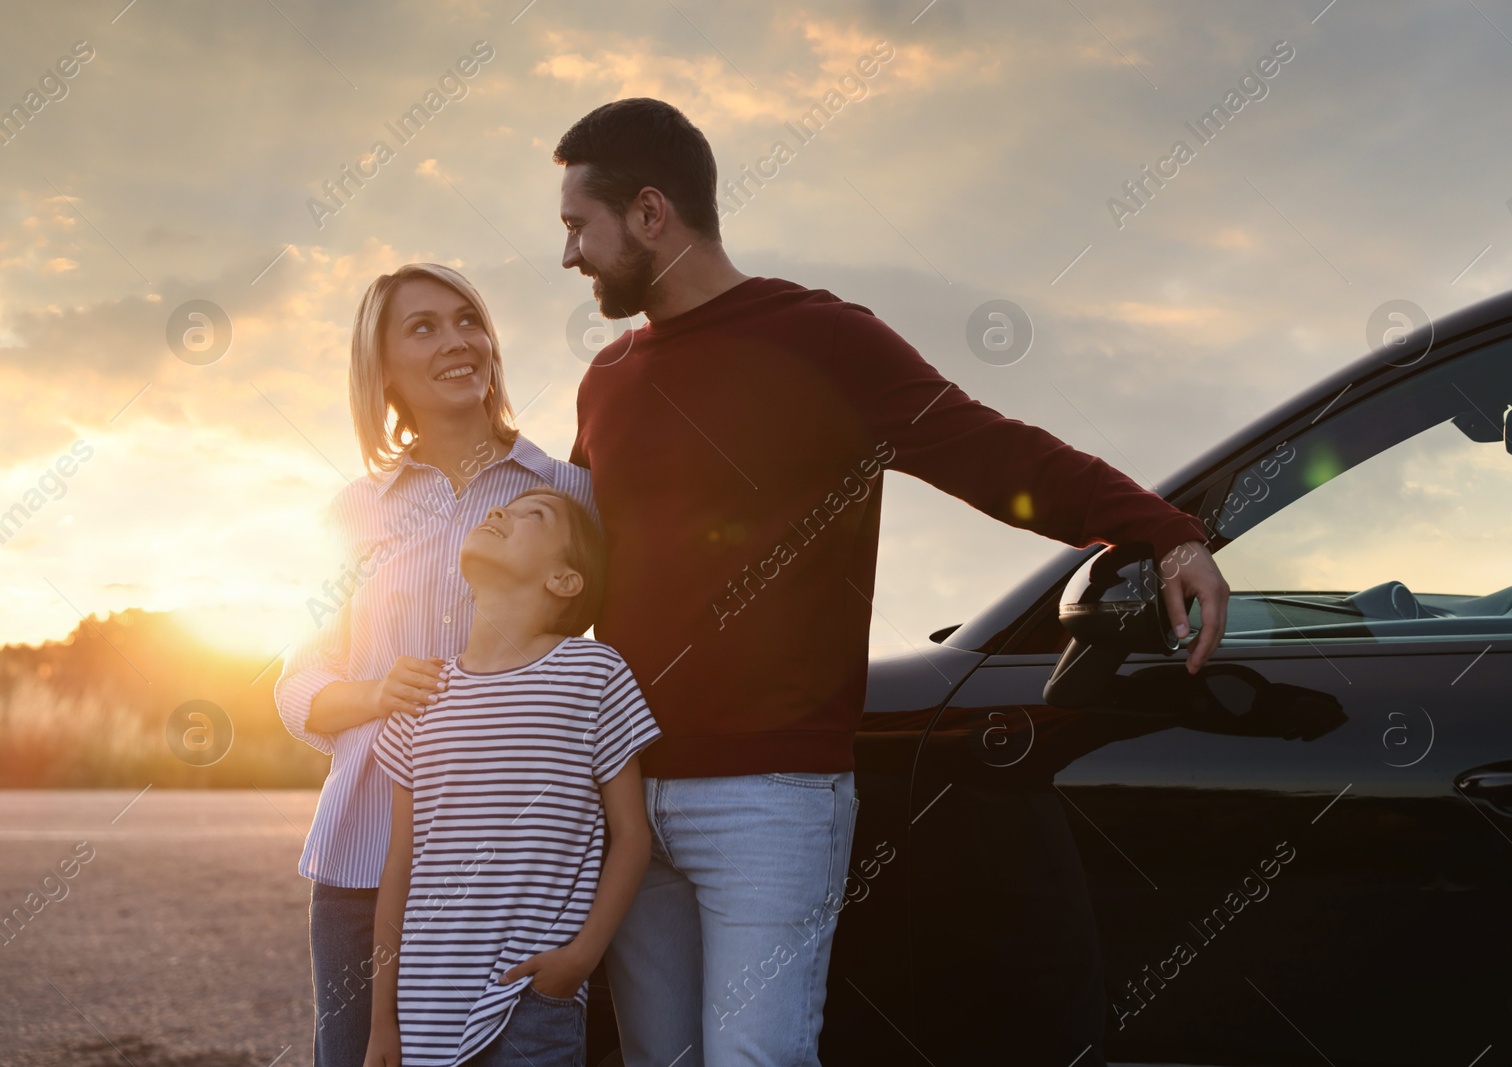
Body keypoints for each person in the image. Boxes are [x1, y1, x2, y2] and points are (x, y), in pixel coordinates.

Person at [551, 98, 1231, 1066]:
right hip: (626, 791)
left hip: (769, 793)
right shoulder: (605, 378)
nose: (569, 255)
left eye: (579, 225)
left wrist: (1162, 531)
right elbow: (570, 564)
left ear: (651, 212)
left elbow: (989, 451)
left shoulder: (820, 338)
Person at [274, 263, 596, 1067]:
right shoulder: (353, 513)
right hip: (363, 851)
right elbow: (297, 683)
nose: (458, 340)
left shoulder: (569, 493)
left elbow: (602, 661)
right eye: (422, 327)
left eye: (467, 320)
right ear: (382, 369)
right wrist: (376, 692)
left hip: (514, 867)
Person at [361, 486, 659, 1067]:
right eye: (504, 507)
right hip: (422, 1011)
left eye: (534, 515)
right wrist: (381, 1022)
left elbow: (632, 836)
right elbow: (399, 865)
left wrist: (580, 959)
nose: (500, 512)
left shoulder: (594, 672)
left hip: (529, 1002)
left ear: (565, 581)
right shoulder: (421, 694)